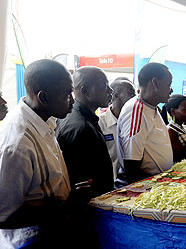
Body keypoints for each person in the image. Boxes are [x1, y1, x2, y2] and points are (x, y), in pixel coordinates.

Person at [0, 59, 73, 248]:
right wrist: (61, 206)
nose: (72, 100)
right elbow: (4, 215)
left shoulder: (45, 121)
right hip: (29, 242)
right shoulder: (17, 144)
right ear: (44, 98)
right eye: (67, 95)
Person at [56, 66, 114, 200]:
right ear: (85, 91)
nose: (110, 91)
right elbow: (82, 182)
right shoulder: (82, 127)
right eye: (104, 86)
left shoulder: (80, 118)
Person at [116, 62, 174, 185]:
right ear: (155, 83)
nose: (171, 89)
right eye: (168, 84)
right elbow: (131, 165)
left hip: (157, 182)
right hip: (143, 187)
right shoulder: (136, 110)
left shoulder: (152, 107)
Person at [98, 77, 135, 182]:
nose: (135, 98)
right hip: (109, 184)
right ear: (115, 95)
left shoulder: (134, 121)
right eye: (130, 93)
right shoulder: (100, 122)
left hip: (131, 182)